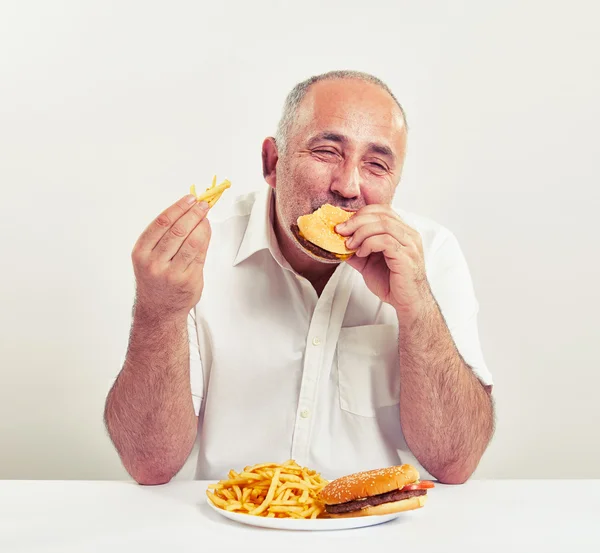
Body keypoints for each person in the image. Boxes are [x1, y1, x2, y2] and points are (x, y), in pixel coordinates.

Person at [104, 70, 495, 486]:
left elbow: (456, 462)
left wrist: (416, 306)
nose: (348, 186)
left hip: (381, 530)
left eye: (376, 164)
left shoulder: (430, 253)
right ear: (272, 163)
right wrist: (158, 311)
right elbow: (149, 464)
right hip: (230, 525)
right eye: (327, 151)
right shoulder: (201, 253)